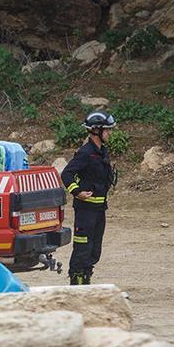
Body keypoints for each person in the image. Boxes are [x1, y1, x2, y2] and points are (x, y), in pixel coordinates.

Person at [60, 110, 117, 285]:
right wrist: (77, 192)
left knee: (94, 250)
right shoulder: (86, 153)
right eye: (107, 130)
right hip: (86, 212)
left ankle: (86, 280)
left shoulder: (102, 151)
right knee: (82, 249)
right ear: (96, 131)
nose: (110, 133)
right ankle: (76, 284)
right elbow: (67, 174)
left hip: (100, 209)